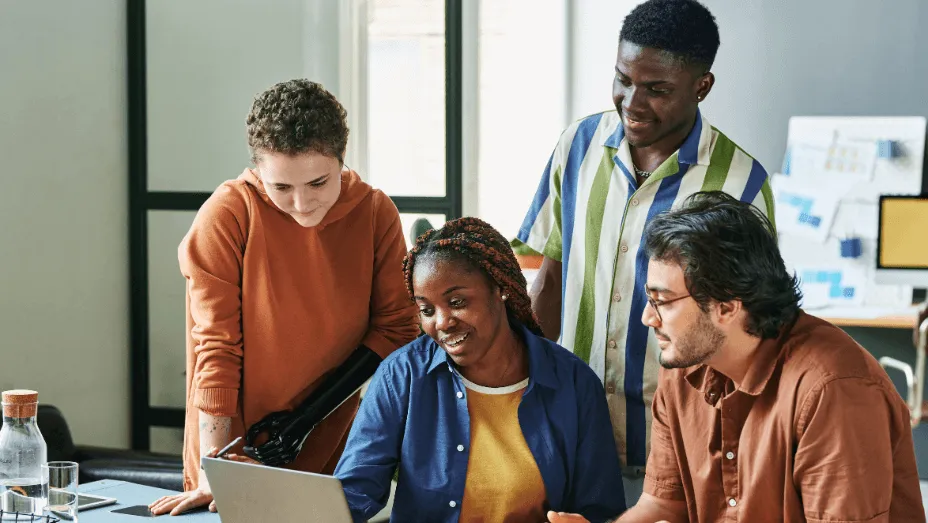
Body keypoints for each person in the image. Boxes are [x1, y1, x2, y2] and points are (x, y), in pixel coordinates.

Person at [516, 0, 775, 504]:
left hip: (677, 452)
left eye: (657, 90)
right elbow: (549, 278)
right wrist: (526, 405)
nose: (632, 102)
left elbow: (748, 333)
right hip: (570, 438)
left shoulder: (741, 185)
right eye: (623, 80)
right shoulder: (578, 145)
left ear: (702, 87)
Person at [548, 192, 925, 523]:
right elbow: (662, 505)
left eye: (661, 301)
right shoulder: (682, 368)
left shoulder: (833, 390)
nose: (648, 317)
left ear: (726, 307)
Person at [149, 79, 420, 515]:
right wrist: (215, 466)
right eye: (281, 188)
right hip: (230, 444)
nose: (302, 204)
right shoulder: (228, 214)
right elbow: (215, 345)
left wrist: (305, 420)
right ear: (257, 171)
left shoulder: (374, 213)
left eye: (318, 182)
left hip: (331, 433)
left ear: (341, 161)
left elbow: (395, 329)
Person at [334, 218, 626, 522]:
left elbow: (599, 507)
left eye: (457, 302)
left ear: (499, 288)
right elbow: (353, 492)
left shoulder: (574, 384)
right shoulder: (402, 375)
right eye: (427, 310)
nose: (442, 322)